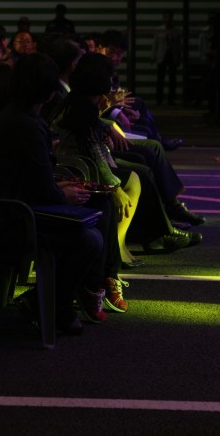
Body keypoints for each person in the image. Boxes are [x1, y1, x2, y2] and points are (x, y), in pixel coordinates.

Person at [0, 53, 106, 333]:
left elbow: (30, 179)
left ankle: (50, 303)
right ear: (48, 92)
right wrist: (63, 194)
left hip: (4, 210)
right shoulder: (26, 126)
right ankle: (49, 304)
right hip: (10, 221)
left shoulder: (13, 116)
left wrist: (58, 189)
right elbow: (41, 188)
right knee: (90, 239)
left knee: (90, 226)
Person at [52, 52, 139, 313]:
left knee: (129, 183)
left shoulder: (78, 103)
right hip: (73, 172)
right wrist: (115, 188)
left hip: (79, 170)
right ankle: (105, 279)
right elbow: (96, 155)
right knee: (113, 199)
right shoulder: (81, 108)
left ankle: (110, 269)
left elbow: (97, 150)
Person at [151, 11, 182, 106]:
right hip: (162, 56)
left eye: (170, 17)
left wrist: (179, 57)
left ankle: (171, 100)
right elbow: (155, 44)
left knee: (172, 79)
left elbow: (178, 46)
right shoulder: (159, 30)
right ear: (164, 18)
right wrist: (153, 56)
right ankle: (159, 99)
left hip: (172, 56)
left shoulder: (176, 31)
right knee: (160, 79)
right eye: (166, 17)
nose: (168, 20)